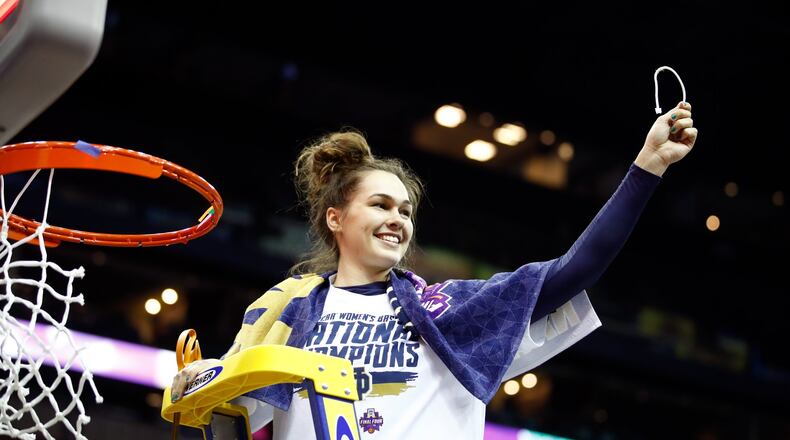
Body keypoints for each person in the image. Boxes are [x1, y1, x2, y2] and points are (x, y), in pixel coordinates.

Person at [170, 102, 697, 439]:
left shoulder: (451, 311)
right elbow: (227, 409)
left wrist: (647, 167)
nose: (397, 219)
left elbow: (573, 271)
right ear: (336, 218)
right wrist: (199, 380)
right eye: (380, 205)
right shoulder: (289, 312)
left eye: (405, 211)